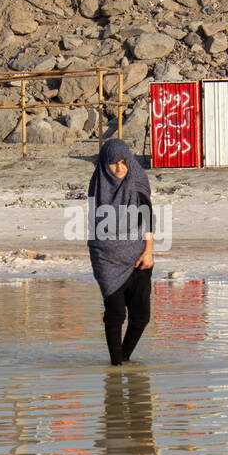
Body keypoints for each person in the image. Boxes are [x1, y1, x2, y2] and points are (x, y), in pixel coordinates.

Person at [87, 138, 154, 366]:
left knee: (141, 316)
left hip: (137, 257)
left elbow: (147, 219)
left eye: (123, 162)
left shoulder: (137, 182)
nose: (119, 168)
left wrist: (148, 252)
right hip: (106, 259)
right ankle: (115, 367)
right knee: (115, 313)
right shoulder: (98, 184)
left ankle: (124, 357)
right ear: (105, 164)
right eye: (114, 163)